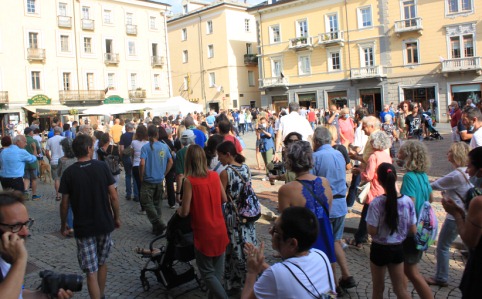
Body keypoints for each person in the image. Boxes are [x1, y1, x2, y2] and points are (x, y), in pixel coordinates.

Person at [59, 134, 120, 299]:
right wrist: (117, 217)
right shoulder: (101, 167)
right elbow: (113, 196)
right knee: (102, 263)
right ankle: (101, 295)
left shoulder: (69, 173)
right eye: (92, 147)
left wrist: (63, 224)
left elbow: (64, 204)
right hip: (104, 222)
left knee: (90, 271)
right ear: (88, 149)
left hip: (83, 227)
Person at [241, 207, 336, 299]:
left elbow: (279, 275)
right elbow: (287, 276)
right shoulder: (320, 255)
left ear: (292, 243)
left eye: (275, 230)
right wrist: (260, 265)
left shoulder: (277, 274)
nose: (270, 232)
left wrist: (252, 272)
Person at [177, 145, 229, 299]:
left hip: (203, 232)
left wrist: (179, 211)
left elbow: (185, 211)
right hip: (219, 228)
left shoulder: (189, 181)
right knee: (216, 274)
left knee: (207, 273)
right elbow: (224, 198)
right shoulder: (214, 175)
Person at [0, 191, 74, 299]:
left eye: (26, 224)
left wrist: (42, 295)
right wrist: (20, 260)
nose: (26, 232)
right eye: (16, 226)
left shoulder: (5, 257)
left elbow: (16, 292)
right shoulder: (15, 258)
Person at [311, 126, 355, 293]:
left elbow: (311, 183)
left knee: (326, 244)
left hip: (326, 205)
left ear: (316, 141)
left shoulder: (316, 157)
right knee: (336, 241)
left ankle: (333, 284)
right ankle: (346, 275)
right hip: (340, 204)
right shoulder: (338, 153)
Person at [278, 141, 336, 265]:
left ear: (290, 161)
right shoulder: (325, 182)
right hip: (325, 240)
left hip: (302, 249)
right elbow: (328, 211)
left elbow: (286, 223)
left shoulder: (286, 190)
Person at [424, 142, 472, 287]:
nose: (447, 154)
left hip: (455, 216)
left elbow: (433, 185)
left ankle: (441, 277)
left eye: (450, 151)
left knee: (443, 246)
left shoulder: (456, 174)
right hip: (468, 214)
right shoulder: (467, 171)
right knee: (471, 247)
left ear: (456, 155)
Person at [366, 163, 417, 299]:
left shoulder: (376, 203)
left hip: (379, 248)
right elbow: (412, 229)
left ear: (378, 180)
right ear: (395, 177)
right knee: (400, 289)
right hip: (398, 248)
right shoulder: (407, 202)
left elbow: (372, 231)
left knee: (378, 289)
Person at [441, 147, 482, 298]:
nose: (467, 171)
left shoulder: (478, 202)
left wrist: (457, 214)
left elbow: (470, 240)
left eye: (470, 166)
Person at [217, 141, 257, 295]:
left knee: (233, 247)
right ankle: (250, 275)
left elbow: (223, 198)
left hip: (233, 215)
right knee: (247, 243)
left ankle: (235, 281)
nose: (219, 159)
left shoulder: (226, 172)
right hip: (247, 212)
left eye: (220, 156)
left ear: (228, 154)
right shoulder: (246, 168)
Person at [396, 140, 433, 299]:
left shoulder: (410, 177)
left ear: (408, 155)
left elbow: (408, 204)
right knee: (406, 269)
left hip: (411, 229)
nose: (399, 155)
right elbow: (430, 198)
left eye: (402, 152)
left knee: (412, 272)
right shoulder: (423, 175)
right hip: (420, 227)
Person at [347, 130, 392, 249]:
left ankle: (360, 239)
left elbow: (369, 176)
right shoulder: (386, 155)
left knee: (367, 214)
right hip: (385, 188)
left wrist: (360, 172)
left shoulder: (374, 156)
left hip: (375, 189)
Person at [139, 125, 173, 235]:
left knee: (147, 203)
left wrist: (141, 175)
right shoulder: (164, 147)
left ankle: (159, 223)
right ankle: (156, 228)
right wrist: (164, 174)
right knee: (157, 204)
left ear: (148, 134)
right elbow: (171, 162)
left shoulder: (145, 147)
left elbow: (142, 163)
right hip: (159, 180)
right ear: (157, 134)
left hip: (148, 180)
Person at [346, 108, 369, 211]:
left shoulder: (360, 129)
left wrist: (350, 146)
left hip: (360, 160)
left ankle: (349, 204)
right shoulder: (368, 127)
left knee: (355, 184)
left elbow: (358, 147)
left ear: (357, 116)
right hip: (367, 159)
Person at [57, 138, 76, 237]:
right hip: (77, 184)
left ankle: (70, 226)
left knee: (67, 206)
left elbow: (58, 172)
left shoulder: (62, 160)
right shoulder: (77, 158)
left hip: (66, 185)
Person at [46, 127, 65, 201]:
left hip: (54, 161)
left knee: (57, 179)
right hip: (63, 160)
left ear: (54, 132)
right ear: (60, 132)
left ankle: (58, 195)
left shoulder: (50, 140)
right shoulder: (64, 139)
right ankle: (65, 194)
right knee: (64, 178)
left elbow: (47, 152)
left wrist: (50, 159)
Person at [131, 125, 148, 210]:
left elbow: (132, 155)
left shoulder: (134, 142)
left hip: (136, 165)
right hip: (145, 165)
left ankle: (143, 207)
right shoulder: (148, 143)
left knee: (139, 186)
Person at [23, 128, 41, 200]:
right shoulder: (34, 141)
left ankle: (26, 191)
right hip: (33, 163)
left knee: (26, 178)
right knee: (33, 179)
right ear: (30, 132)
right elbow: (38, 152)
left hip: (25, 163)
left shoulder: (23, 140)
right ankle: (34, 194)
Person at [119, 122, 135, 201]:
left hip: (126, 157)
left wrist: (121, 158)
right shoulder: (136, 135)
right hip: (135, 158)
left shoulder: (123, 136)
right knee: (135, 177)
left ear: (127, 128)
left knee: (128, 175)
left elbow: (121, 149)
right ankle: (136, 195)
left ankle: (128, 194)